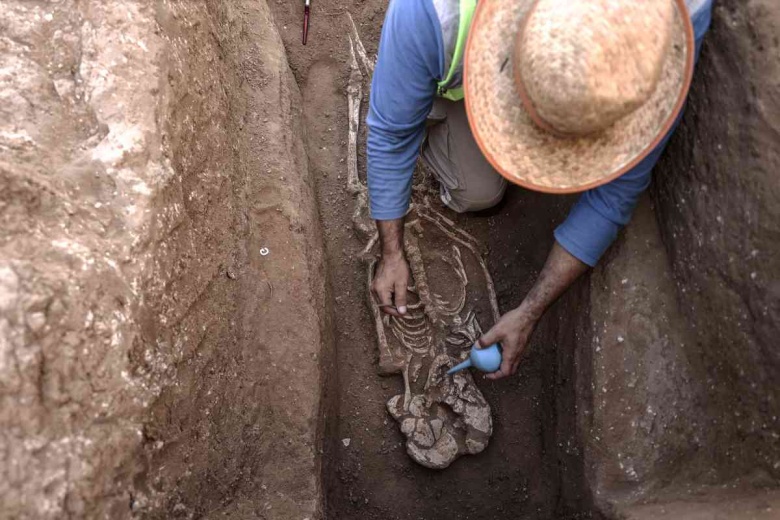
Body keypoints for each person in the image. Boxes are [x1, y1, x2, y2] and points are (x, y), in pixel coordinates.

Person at [367, 0, 714, 380]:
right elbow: (390, 134)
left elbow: (617, 192)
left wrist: (530, 310)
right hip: (441, 55)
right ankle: (420, 93)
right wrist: (391, 252)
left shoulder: (674, 32)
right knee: (475, 190)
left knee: (481, 189)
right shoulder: (433, 14)